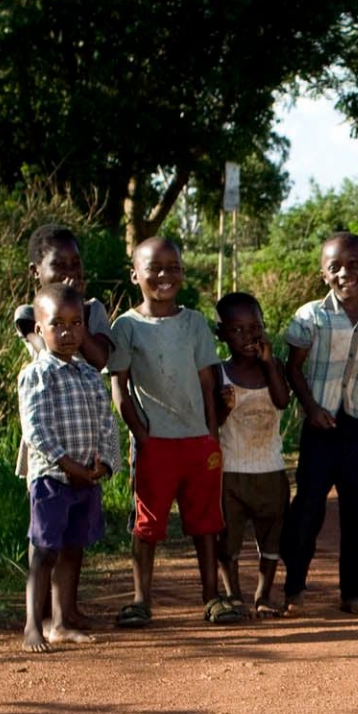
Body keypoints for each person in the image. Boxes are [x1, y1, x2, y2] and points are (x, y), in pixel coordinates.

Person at [105, 237, 238, 627]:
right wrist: (141, 435)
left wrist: (211, 435)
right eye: (154, 268)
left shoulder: (194, 322)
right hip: (155, 445)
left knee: (206, 522)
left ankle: (212, 597)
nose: (165, 275)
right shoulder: (126, 326)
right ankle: (140, 600)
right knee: (147, 524)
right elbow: (119, 387)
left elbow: (208, 383)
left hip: (198, 442)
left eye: (173, 267)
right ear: (135, 275)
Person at [281, 232, 358, 616]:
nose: (344, 273)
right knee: (307, 508)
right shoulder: (310, 316)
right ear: (323, 274)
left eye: (354, 265)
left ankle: (356, 592)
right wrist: (311, 407)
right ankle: (293, 587)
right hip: (321, 427)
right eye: (334, 267)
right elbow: (293, 368)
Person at [16, 283, 118, 653]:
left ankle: (61, 623)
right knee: (45, 551)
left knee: (74, 547)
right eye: (57, 324)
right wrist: (69, 465)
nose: (67, 332)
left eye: (76, 324)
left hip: (86, 478)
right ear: (38, 329)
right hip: (52, 478)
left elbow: (106, 421)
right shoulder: (36, 375)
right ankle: (33, 626)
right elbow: (36, 430)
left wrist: (105, 462)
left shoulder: (90, 374)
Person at [213, 291, 292, 616]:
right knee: (228, 539)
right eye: (238, 330)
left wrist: (269, 364)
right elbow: (214, 422)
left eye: (255, 327)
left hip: (270, 469)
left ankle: (263, 595)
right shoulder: (219, 373)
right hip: (231, 471)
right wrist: (224, 405)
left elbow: (282, 401)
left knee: (272, 537)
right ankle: (233, 594)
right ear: (221, 335)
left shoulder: (274, 367)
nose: (249, 336)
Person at [12, 224, 111, 367]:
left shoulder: (93, 309)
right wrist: (67, 305)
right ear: (35, 271)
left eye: (76, 263)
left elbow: (99, 360)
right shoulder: (28, 314)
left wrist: (77, 305)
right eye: (58, 265)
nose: (70, 272)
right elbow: (48, 354)